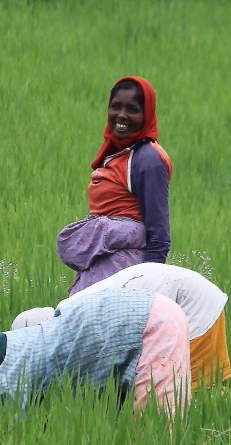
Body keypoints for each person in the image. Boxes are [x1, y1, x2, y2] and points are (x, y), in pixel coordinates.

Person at [0, 288, 191, 417]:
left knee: (158, 436)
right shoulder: (33, 339)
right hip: (154, 311)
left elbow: (18, 429)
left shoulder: (14, 378)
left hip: (154, 324)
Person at [11, 263, 231, 388]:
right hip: (176, 294)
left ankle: (206, 443)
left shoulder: (75, 322)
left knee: (193, 389)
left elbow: (109, 362)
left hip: (191, 302)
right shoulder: (70, 313)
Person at [57, 76, 173, 296]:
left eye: (132, 109)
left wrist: (148, 292)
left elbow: (158, 234)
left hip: (126, 271)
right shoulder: (117, 154)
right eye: (116, 106)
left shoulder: (147, 159)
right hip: (105, 261)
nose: (122, 115)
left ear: (146, 114)